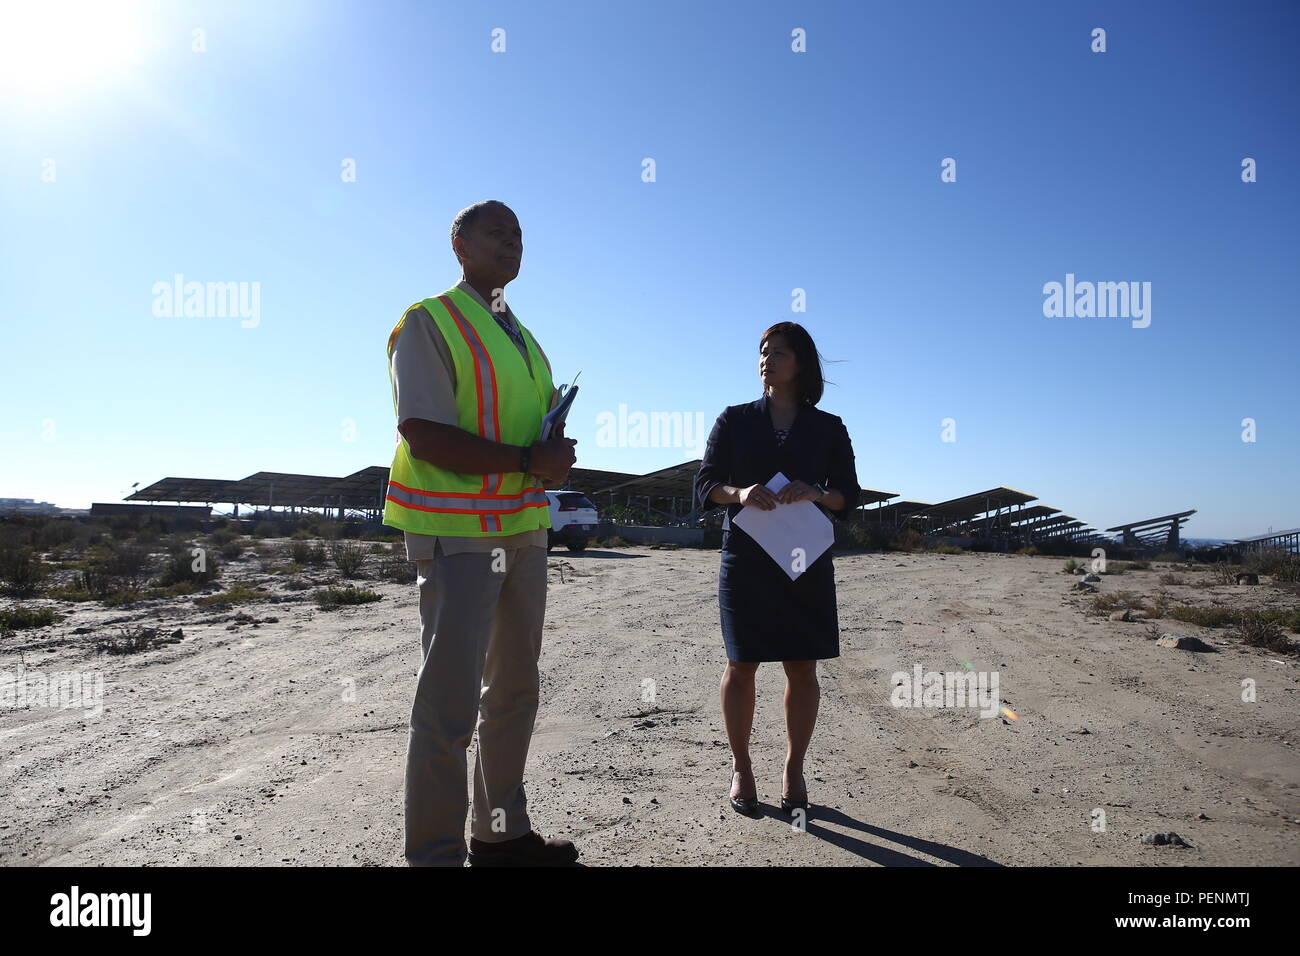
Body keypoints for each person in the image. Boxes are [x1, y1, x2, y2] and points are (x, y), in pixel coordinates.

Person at [384, 199, 579, 866]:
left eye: (519, 233)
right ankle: (433, 856)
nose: (511, 242)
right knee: (448, 705)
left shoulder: (525, 339)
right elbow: (424, 431)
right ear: (458, 244)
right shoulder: (429, 321)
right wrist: (530, 461)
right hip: (458, 535)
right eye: (497, 232)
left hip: (523, 530)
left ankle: (499, 834)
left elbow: (519, 434)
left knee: (515, 691)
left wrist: (549, 450)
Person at [692, 322, 859, 816]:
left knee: (801, 666)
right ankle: (742, 767)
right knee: (740, 664)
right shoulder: (734, 420)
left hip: (804, 557)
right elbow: (704, 485)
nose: (767, 358)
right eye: (763, 351)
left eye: (779, 352)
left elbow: (849, 495)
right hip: (745, 558)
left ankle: (794, 767)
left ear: (801, 363)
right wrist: (739, 492)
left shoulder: (829, 427)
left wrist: (817, 492)